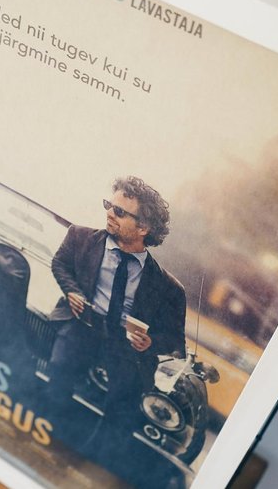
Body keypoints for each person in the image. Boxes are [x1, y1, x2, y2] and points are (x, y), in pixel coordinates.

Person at [46, 176, 186, 460]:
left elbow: (174, 340)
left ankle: (92, 463)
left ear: (143, 228)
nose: (110, 213)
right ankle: (49, 438)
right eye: (109, 205)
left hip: (126, 346)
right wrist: (72, 291)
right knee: (61, 367)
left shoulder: (169, 287)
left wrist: (150, 342)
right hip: (84, 323)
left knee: (126, 404)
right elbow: (60, 263)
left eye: (120, 212)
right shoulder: (80, 237)